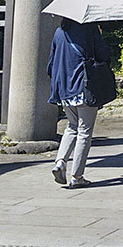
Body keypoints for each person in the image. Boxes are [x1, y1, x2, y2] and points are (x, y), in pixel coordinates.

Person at [47, 19, 111, 188]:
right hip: (84, 87)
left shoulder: (59, 32)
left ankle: (60, 162)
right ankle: (77, 176)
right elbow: (104, 54)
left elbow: (51, 64)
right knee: (84, 131)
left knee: (72, 126)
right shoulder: (89, 30)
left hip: (64, 89)